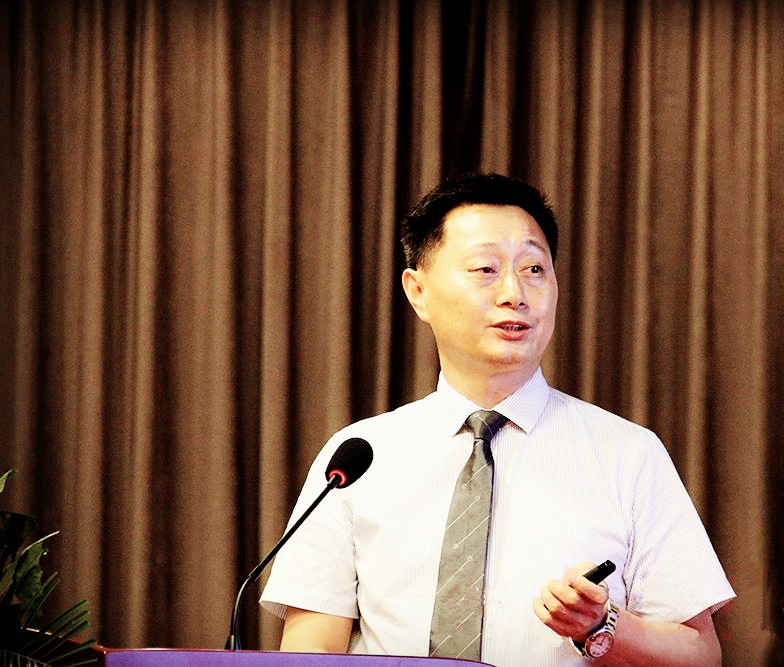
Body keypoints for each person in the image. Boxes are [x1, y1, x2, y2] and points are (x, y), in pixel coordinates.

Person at [260, 173, 735, 665]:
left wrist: (604, 625)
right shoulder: (358, 458)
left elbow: (701, 654)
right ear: (418, 292)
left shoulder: (628, 454)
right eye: (485, 269)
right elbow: (311, 648)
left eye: (534, 269)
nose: (514, 293)